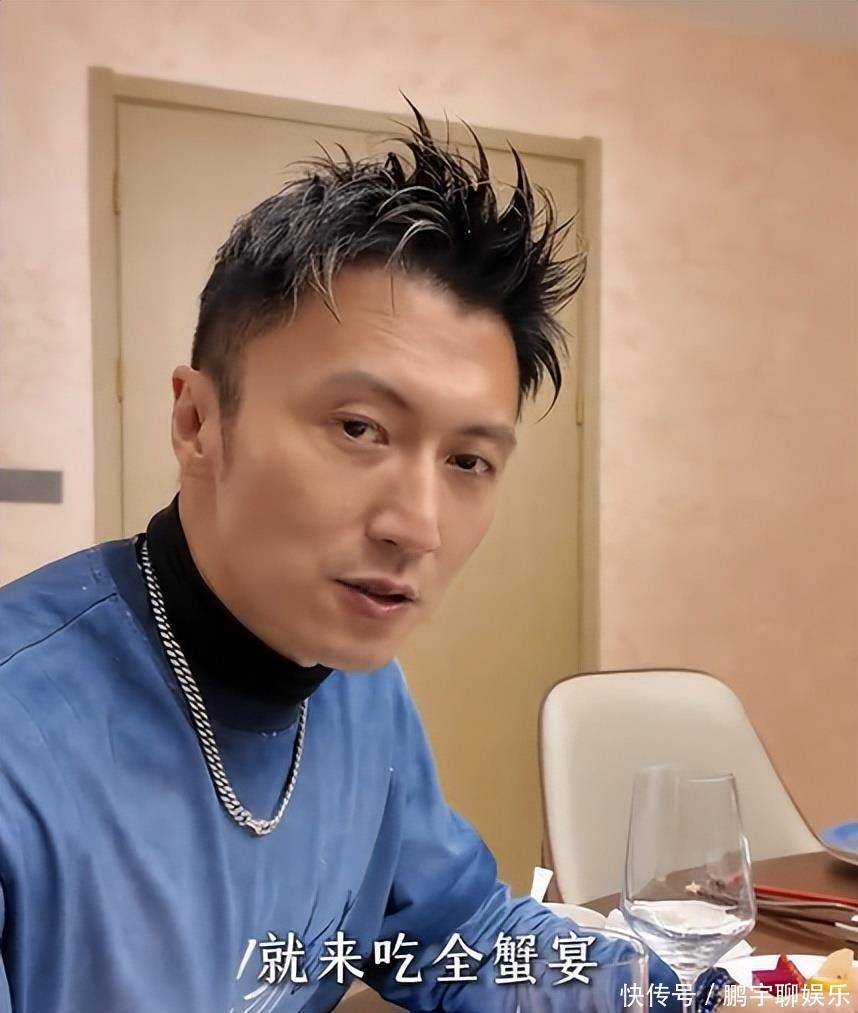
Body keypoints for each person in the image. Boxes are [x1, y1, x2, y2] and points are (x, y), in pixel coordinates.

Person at [0, 101, 681, 1012]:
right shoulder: (22, 733)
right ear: (198, 420)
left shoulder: (359, 687)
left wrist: (681, 994)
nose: (418, 526)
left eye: (468, 461)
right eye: (359, 428)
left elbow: (463, 934)